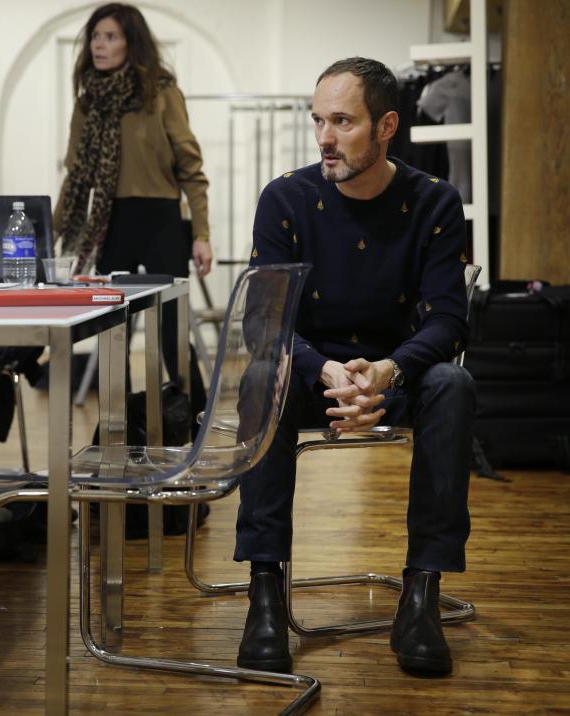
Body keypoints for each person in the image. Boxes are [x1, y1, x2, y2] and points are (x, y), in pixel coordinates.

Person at [235, 57, 474, 677]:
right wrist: (325, 370)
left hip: (395, 376)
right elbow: (264, 322)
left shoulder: (435, 203)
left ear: (387, 125)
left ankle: (420, 594)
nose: (324, 138)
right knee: (262, 376)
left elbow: (448, 320)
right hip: (313, 378)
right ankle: (265, 594)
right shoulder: (286, 197)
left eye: (343, 121)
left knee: (453, 382)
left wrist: (389, 369)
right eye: (319, 120)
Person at [53, 2, 211, 420]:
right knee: (112, 332)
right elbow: (74, 177)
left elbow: (191, 169)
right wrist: (46, 238)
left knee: (170, 332)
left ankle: (192, 421)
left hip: (161, 220)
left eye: (111, 36)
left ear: (132, 43)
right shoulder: (89, 102)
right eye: (95, 36)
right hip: (111, 223)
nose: (99, 45)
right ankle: (116, 425)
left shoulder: (162, 94)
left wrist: (202, 233)